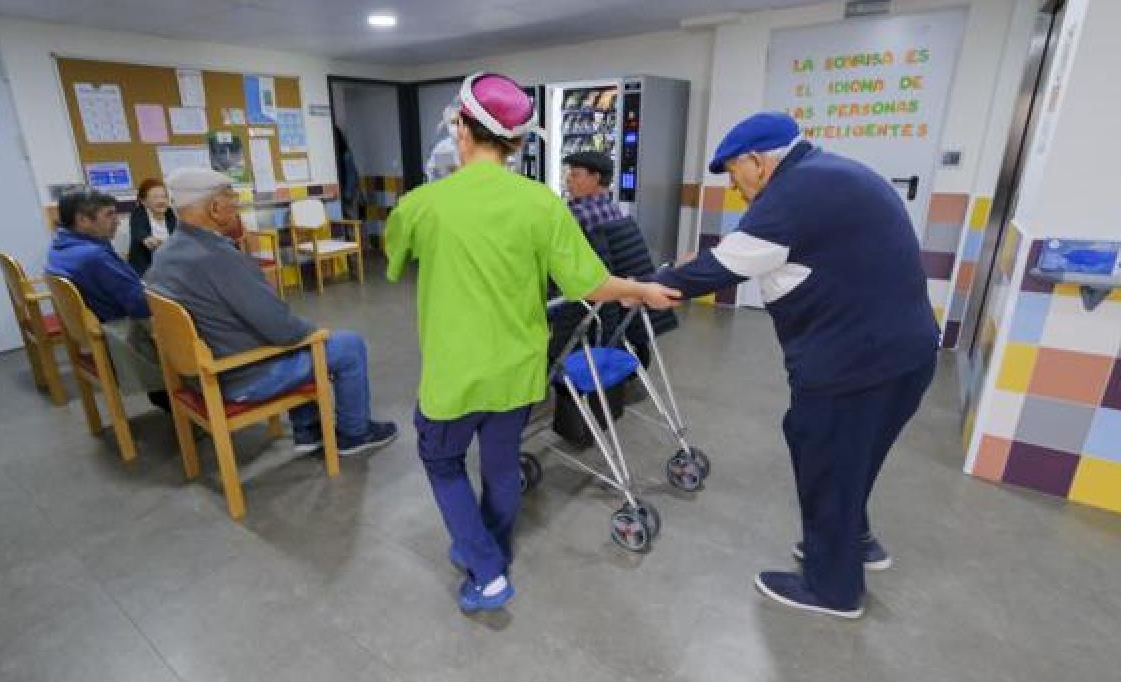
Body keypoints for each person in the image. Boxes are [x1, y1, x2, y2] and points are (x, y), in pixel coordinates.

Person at [386, 72, 680, 613]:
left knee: (443, 462)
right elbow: (590, 283)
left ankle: (488, 572)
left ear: (461, 130)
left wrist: (434, 188)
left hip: (456, 374)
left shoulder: (422, 205)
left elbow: (396, 257)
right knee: (501, 467)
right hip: (519, 370)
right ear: (517, 142)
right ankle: (491, 546)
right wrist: (644, 288)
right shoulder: (543, 204)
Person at [654, 112, 939, 619]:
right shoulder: (842, 173)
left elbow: (720, 268)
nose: (733, 185)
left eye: (732, 171)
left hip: (853, 365)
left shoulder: (792, 197)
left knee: (825, 459)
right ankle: (857, 541)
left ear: (757, 162)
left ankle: (833, 589)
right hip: (909, 355)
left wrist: (649, 286)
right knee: (856, 456)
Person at [146, 168, 397, 455]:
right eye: (232, 199)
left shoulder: (165, 254)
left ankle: (308, 430)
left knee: (294, 342)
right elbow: (282, 328)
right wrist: (314, 333)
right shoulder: (219, 258)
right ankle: (356, 433)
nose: (237, 206)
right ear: (214, 208)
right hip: (240, 377)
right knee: (346, 345)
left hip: (196, 374)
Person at [45, 187, 167, 409]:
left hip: (96, 331)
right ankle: (182, 400)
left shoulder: (60, 247)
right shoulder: (94, 256)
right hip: (120, 334)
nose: (117, 222)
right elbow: (141, 305)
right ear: (83, 220)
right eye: (109, 215)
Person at [563, 150, 626, 233]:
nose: (568, 179)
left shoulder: (577, 213)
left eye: (575, 175)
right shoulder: (614, 209)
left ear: (596, 178)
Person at [127, 178, 176, 276]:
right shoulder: (138, 214)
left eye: (164, 197)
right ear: (143, 201)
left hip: (171, 269)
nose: (161, 201)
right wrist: (148, 239)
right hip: (146, 271)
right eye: (155, 197)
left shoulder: (170, 213)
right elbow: (140, 232)